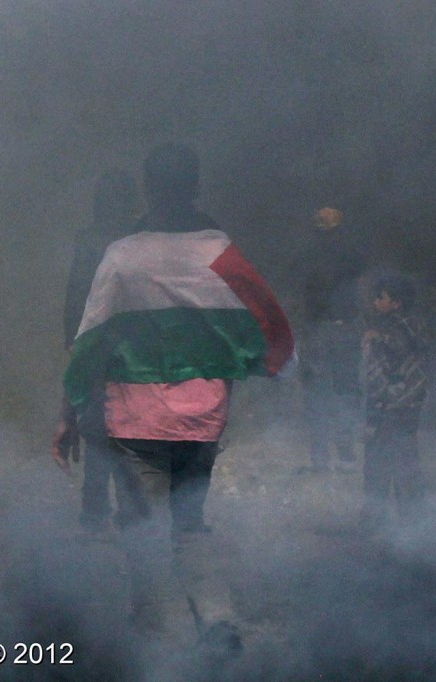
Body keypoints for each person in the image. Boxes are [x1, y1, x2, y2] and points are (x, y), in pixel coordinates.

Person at [52, 143, 295, 652]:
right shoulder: (220, 250)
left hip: (134, 416)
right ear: (196, 186)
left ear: (146, 188)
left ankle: (147, 631)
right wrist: (272, 369)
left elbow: (91, 338)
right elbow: (270, 328)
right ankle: (215, 617)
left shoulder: (122, 253)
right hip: (203, 416)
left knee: (138, 518)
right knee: (189, 521)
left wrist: (71, 410)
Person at [58, 170, 139, 533]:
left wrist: (73, 340)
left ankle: (95, 515)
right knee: (126, 427)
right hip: (129, 345)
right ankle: (126, 512)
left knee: (95, 428)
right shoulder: (137, 238)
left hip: (96, 342)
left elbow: (76, 294)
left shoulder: (90, 238)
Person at [298, 206, 366, 471]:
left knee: (317, 392)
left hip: (317, 330)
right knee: (345, 389)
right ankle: (344, 450)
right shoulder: (353, 255)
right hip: (342, 329)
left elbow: (298, 289)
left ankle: (320, 456)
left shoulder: (306, 255)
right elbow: (362, 288)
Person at [361, 272, 428, 525]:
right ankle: (402, 521)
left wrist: (377, 338)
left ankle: (390, 521)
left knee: (388, 461)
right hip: (392, 404)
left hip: (396, 405)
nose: (376, 302)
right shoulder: (389, 326)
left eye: (382, 298)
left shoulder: (404, 328)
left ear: (396, 303)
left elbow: (404, 345)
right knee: (394, 460)